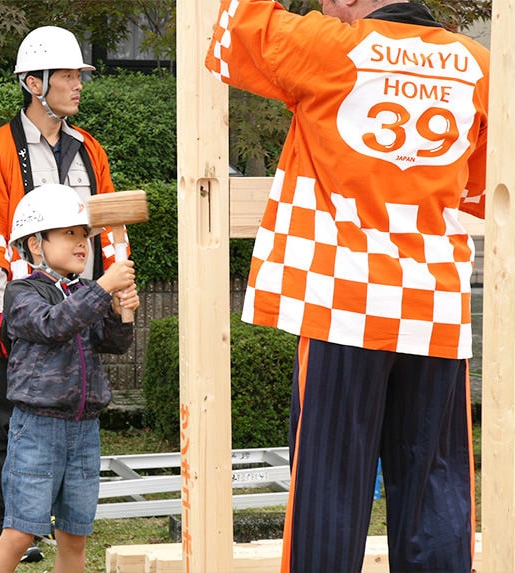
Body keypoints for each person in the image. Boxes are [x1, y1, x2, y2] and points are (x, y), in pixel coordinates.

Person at [205, 1, 489, 572]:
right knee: (436, 494)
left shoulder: (331, 47)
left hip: (344, 303)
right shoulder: (481, 67)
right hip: (433, 309)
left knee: (328, 495)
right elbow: (479, 191)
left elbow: (233, 27)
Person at [0, 25, 123, 562]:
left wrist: (114, 298)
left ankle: (55, 524)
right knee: (5, 414)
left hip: (81, 306)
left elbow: (109, 226)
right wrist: (1, 311)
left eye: (78, 75)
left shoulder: (90, 149)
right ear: (33, 82)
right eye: (67, 75)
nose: (77, 85)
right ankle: (10, 529)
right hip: (19, 307)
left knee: (72, 412)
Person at [0, 184, 139, 572]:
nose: (82, 243)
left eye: (83, 234)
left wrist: (122, 311)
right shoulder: (21, 293)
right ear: (36, 244)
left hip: (84, 430)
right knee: (19, 532)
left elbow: (112, 342)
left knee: (74, 536)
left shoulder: (84, 291)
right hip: (37, 430)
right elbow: (53, 325)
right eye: (69, 233)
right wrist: (104, 288)